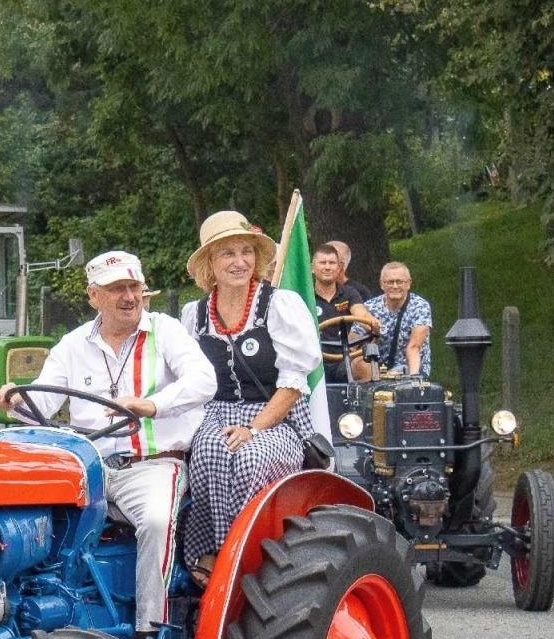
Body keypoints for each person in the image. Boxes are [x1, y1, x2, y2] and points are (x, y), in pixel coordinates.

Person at [0, 250, 216, 639]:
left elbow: (203, 380)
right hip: (90, 466)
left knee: (155, 520)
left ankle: (150, 635)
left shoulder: (166, 331)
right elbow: (43, 402)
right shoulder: (73, 344)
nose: (129, 296)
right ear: (93, 296)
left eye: (134, 287)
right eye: (117, 289)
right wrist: (16, 399)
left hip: (152, 464)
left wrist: (152, 404)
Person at [180, 210, 321, 586]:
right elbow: (187, 378)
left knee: (250, 458)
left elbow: (292, 384)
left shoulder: (279, 305)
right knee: (208, 452)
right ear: (210, 263)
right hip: (215, 412)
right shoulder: (195, 314)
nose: (239, 261)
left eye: (246, 252)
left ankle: (246, 555)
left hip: (275, 414)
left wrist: (254, 428)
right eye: (227, 253)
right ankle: (216, 548)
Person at [311, 243, 375, 383]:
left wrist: (372, 323)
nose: (327, 267)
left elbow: (361, 314)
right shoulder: (304, 295)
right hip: (311, 361)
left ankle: (364, 397)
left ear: (339, 268)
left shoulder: (349, 293)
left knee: (365, 365)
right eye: (323, 263)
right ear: (312, 268)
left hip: (343, 359)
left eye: (332, 263)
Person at [367, 261, 432, 376]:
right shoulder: (369, 307)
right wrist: (373, 334)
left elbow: (414, 347)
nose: (395, 286)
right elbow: (353, 345)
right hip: (375, 369)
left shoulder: (420, 306)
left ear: (409, 283)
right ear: (382, 284)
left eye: (399, 282)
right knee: (356, 364)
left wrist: (413, 379)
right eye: (390, 282)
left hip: (408, 369)